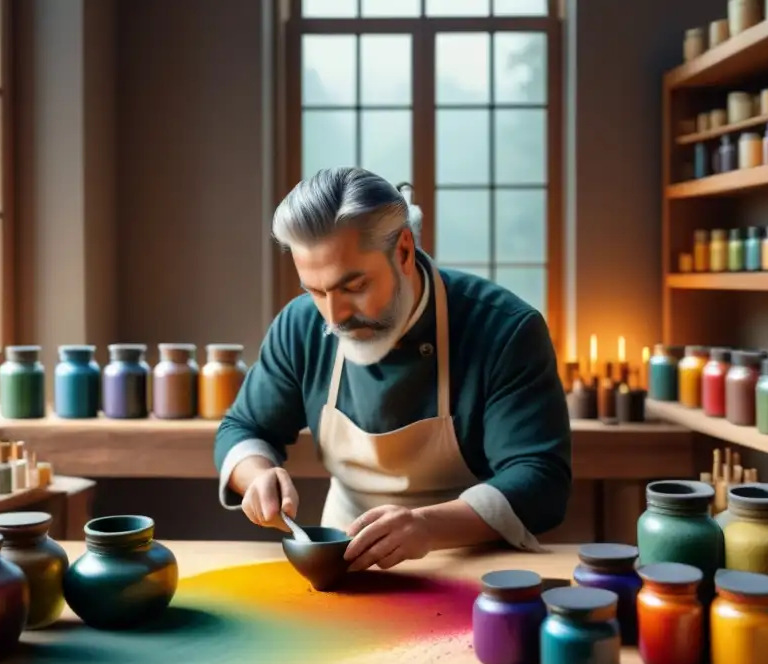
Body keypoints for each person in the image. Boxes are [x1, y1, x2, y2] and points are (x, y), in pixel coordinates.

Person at [214, 167, 572, 573]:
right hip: (347, 563)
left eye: (353, 286)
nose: (335, 316)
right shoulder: (300, 325)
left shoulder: (504, 329)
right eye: (316, 291)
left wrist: (428, 526)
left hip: (473, 561)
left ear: (403, 250)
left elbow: (541, 480)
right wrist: (257, 475)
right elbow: (243, 427)